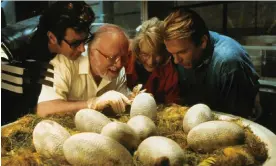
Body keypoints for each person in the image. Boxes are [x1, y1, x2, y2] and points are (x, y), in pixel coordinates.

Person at [163, 9, 260, 118]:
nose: (176, 60)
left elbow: (238, 120)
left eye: (182, 52)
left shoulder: (228, 62)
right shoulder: (182, 49)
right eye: (172, 54)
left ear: (203, 42)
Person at [36, 24, 131, 117]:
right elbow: (44, 110)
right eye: (112, 57)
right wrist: (92, 104)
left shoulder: (117, 70)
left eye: (124, 57)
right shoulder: (63, 63)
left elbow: (122, 110)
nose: (119, 64)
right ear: (93, 51)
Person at [24, 1, 95, 114]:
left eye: (85, 40)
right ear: (52, 37)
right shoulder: (27, 59)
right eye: (75, 43)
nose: (82, 50)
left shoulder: (65, 51)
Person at [127, 17, 180, 104]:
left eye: (157, 54)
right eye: (145, 54)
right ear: (137, 49)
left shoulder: (169, 72)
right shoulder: (124, 58)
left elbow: (173, 106)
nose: (151, 62)